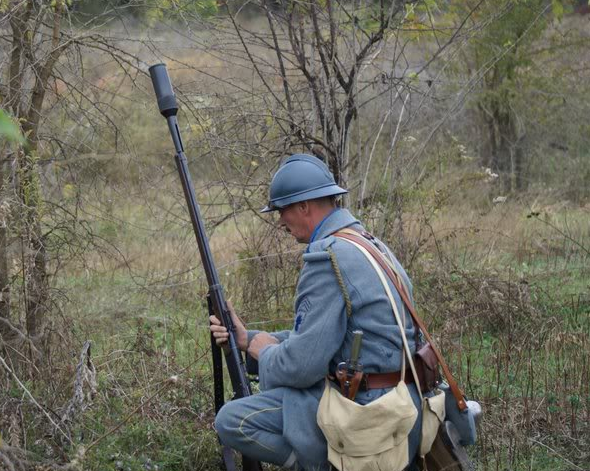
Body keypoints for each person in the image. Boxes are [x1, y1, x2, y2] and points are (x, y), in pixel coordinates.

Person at [210, 154, 422, 471]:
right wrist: (248, 339)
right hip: (405, 401)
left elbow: (301, 367)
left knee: (232, 421)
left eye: (282, 210)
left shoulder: (327, 258)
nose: (280, 221)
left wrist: (263, 352)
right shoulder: (367, 243)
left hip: (366, 411)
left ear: (304, 207)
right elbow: (332, 336)